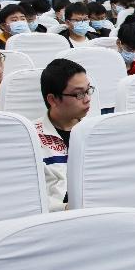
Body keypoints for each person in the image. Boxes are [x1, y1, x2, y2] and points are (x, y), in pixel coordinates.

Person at [35, 59, 92, 211]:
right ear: (53, 99)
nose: (87, 99)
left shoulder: (95, 131)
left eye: (88, 90)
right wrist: (65, 209)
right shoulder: (32, 138)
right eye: (79, 94)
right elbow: (28, 198)